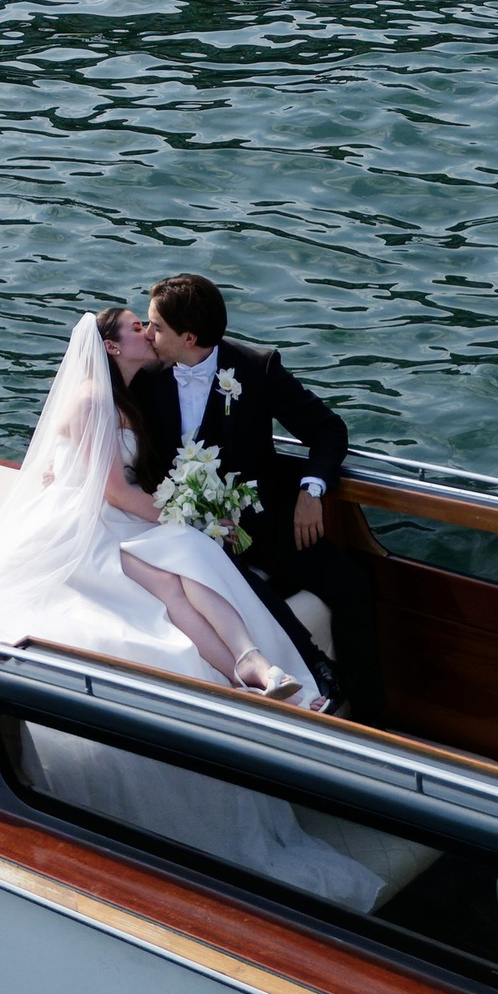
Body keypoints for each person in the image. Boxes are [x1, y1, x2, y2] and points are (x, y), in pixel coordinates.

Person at [0, 311, 320, 705]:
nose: (147, 333)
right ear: (111, 346)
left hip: (117, 517)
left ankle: (254, 665)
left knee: (184, 560)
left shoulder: (127, 392)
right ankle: (245, 672)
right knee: (175, 569)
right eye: (136, 327)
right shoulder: (92, 399)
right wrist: (191, 519)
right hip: (87, 524)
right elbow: (115, 492)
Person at [129, 272, 383, 722]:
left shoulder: (256, 369)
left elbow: (327, 429)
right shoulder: (143, 377)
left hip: (260, 522)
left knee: (352, 584)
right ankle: (303, 680)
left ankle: (373, 722)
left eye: (156, 327)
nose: (148, 335)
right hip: (179, 530)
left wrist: (311, 490)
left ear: (188, 337)